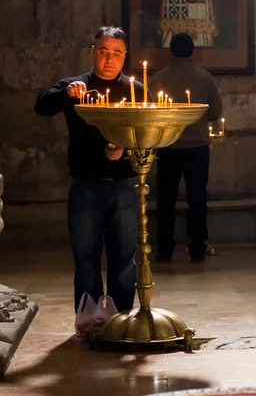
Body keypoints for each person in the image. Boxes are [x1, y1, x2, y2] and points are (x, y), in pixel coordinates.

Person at [35, 26, 144, 313]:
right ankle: (90, 316)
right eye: (104, 52)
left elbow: (146, 135)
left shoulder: (135, 90)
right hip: (85, 182)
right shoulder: (75, 85)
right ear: (93, 53)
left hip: (124, 183)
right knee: (86, 257)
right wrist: (66, 95)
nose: (110, 59)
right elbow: (41, 106)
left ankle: (120, 317)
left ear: (124, 56)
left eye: (117, 53)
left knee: (124, 257)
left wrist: (125, 148)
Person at [149, 32, 222, 263]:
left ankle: (165, 249)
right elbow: (215, 113)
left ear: (171, 50)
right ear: (192, 51)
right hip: (197, 147)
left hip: (168, 146)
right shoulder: (205, 78)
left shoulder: (159, 78)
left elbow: (150, 111)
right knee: (198, 198)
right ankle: (198, 248)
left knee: (165, 200)